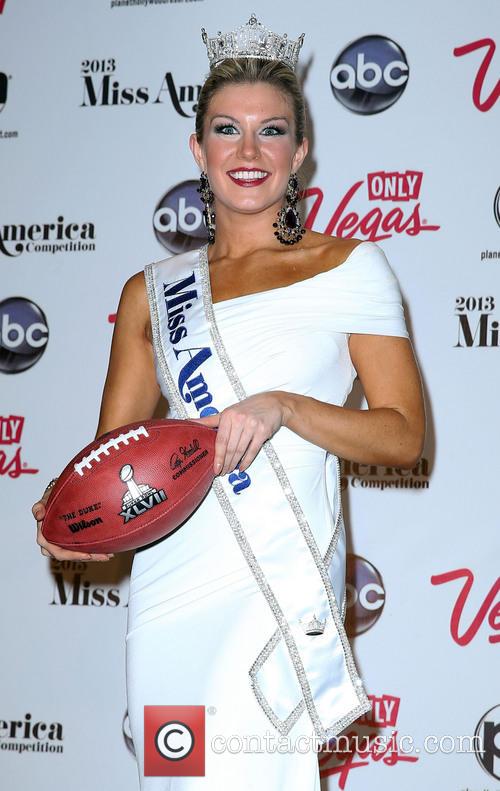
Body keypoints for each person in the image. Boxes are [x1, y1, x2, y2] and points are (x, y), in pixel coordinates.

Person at [32, 15, 425, 790]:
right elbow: (110, 466)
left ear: (300, 151)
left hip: (271, 596)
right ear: (198, 151)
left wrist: (285, 406)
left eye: (271, 131)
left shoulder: (352, 268)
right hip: (172, 590)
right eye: (227, 131)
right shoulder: (151, 295)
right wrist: (71, 519)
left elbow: (403, 436)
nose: (248, 153)